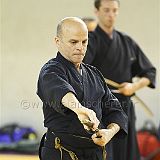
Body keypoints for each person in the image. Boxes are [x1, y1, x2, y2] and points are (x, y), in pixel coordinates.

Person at [37, 17, 128, 160]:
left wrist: (109, 133)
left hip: (95, 153)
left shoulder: (94, 74)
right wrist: (79, 109)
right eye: (73, 42)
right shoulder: (51, 71)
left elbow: (116, 110)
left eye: (84, 42)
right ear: (57, 42)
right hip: (62, 151)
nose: (80, 47)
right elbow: (60, 90)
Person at [83, 0, 156, 160]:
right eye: (106, 10)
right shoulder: (89, 42)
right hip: (100, 110)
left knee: (127, 154)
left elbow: (149, 72)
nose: (111, 15)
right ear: (97, 12)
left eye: (114, 10)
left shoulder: (127, 42)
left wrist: (134, 86)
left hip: (125, 107)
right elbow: (79, 71)